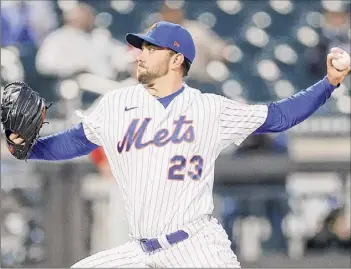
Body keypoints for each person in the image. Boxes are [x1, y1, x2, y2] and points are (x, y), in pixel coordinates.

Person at [7, 21, 350, 267]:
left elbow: (279, 116)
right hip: (140, 251)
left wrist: (328, 83)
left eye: (150, 48)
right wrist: (27, 149)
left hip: (196, 248)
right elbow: (75, 142)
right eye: (141, 46)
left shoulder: (208, 108)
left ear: (176, 59)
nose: (140, 54)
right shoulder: (116, 104)